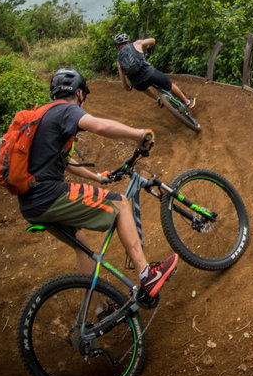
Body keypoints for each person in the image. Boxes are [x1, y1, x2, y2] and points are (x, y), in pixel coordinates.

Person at [18, 67, 177, 300]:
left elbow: (65, 161)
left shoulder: (41, 115)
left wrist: (97, 178)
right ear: (79, 93)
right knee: (121, 204)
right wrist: (138, 134)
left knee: (80, 242)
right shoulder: (65, 110)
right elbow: (99, 126)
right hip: (49, 195)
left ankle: (99, 309)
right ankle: (147, 274)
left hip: (31, 205)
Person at [113, 33, 196, 109]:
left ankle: (157, 99)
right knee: (169, 84)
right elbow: (153, 40)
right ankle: (187, 102)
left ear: (117, 46)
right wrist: (149, 50)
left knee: (144, 88)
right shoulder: (136, 43)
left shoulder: (119, 62)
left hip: (138, 83)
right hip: (150, 74)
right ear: (128, 41)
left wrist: (129, 88)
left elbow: (124, 85)